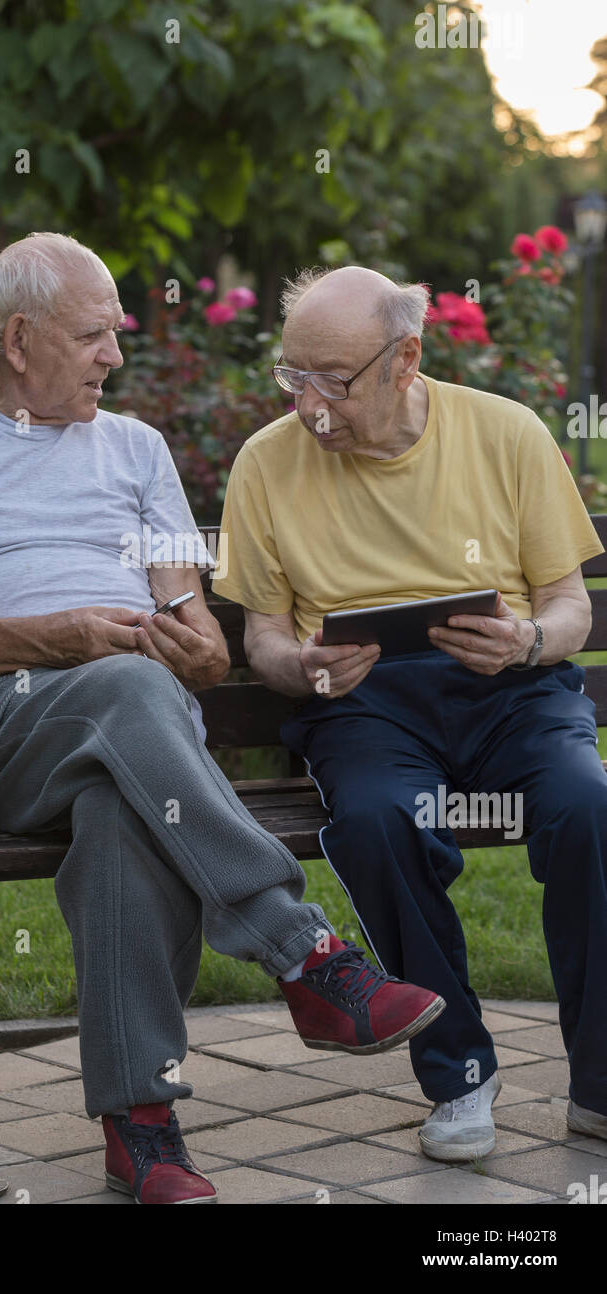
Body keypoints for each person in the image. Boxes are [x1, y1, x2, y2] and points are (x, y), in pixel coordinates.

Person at [0, 235, 443, 1205]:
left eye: (115, 335)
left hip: (128, 728)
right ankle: (303, 953)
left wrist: (194, 649)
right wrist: (62, 638)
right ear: (18, 339)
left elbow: (193, 625)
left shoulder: (136, 448)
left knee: (123, 811)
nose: (113, 357)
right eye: (93, 336)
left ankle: (142, 1129)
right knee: (125, 691)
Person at [212, 262, 607, 1162]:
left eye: (332, 381)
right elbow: (263, 640)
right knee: (379, 823)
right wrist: (304, 668)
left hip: (513, 690)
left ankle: (603, 1085)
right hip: (364, 707)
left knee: (590, 809)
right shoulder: (265, 464)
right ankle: (459, 1075)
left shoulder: (505, 432)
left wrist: (529, 643)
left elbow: (568, 606)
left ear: (406, 359)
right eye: (292, 376)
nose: (309, 406)